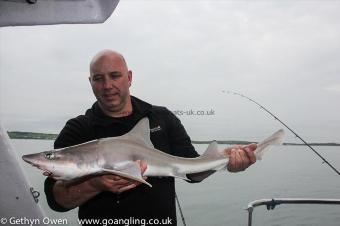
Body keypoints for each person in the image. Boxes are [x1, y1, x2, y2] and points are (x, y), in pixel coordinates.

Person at [44, 50, 257, 226]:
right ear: (90, 82)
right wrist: (96, 184)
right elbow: (56, 200)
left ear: (129, 77)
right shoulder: (79, 129)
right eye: (99, 78)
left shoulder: (161, 118)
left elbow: (193, 172)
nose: (107, 85)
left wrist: (224, 161)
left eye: (115, 76)